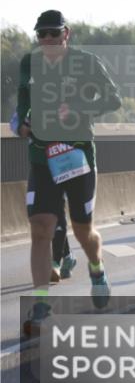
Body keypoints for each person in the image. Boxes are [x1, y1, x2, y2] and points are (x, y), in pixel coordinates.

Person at [18, 10, 121, 335]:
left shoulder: (85, 62)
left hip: (77, 156)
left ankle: (96, 266)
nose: (47, 40)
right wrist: (21, 123)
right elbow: (22, 104)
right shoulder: (28, 64)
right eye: (41, 35)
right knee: (40, 227)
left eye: (53, 33)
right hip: (41, 157)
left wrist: (78, 109)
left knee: (82, 231)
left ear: (67, 33)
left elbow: (113, 98)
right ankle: (41, 304)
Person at [9, 111, 76, 283]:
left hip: (60, 160)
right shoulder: (30, 101)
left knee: (57, 208)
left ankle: (55, 262)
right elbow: (15, 120)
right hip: (38, 165)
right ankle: (67, 255)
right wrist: (21, 127)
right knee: (39, 213)